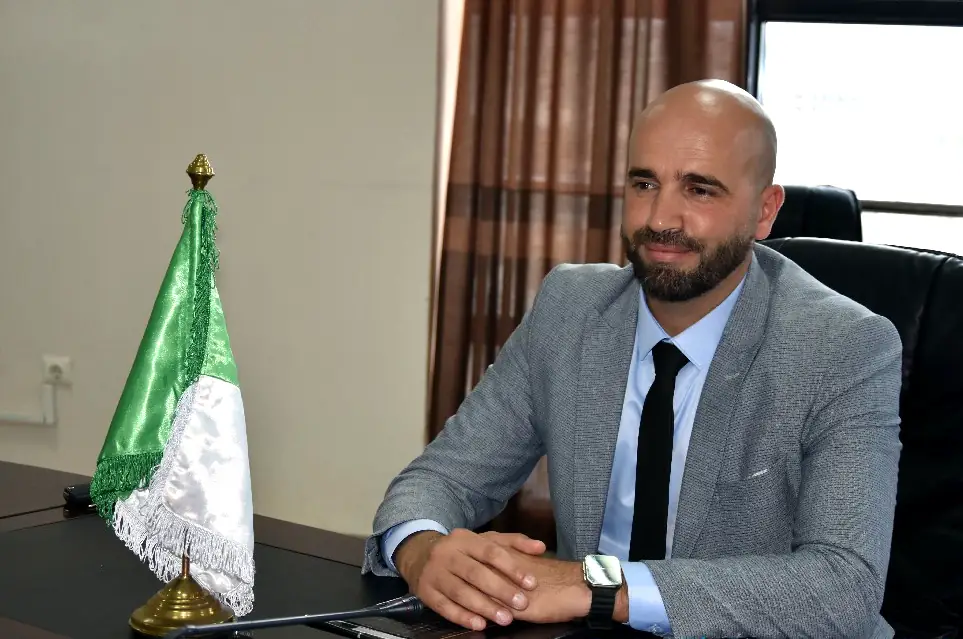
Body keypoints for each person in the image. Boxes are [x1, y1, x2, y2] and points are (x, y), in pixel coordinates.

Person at [362, 79, 903, 639]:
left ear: (765, 211)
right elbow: (441, 477)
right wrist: (423, 550)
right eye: (644, 183)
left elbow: (845, 587)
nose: (661, 217)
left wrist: (593, 587)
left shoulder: (841, 347)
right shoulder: (570, 309)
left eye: (700, 190)